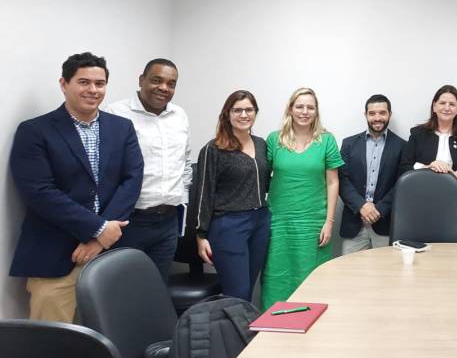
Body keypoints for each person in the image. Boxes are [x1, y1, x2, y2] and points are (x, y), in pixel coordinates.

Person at [9, 52, 143, 322]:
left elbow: (132, 178)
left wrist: (100, 236)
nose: (93, 90)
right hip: (55, 255)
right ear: (64, 84)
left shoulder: (122, 127)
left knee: (105, 338)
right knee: (52, 346)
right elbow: (39, 192)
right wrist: (97, 229)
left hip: (108, 252)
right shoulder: (34, 131)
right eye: (83, 82)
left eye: (100, 83)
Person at [106, 58, 191, 280]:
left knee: (155, 291)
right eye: (156, 80)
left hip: (167, 223)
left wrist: (180, 197)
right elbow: (106, 169)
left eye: (171, 84)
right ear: (142, 80)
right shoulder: (116, 113)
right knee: (120, 289)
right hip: (130, 222)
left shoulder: (179, 116)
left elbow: (185, 163)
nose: (164, 88)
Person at [262, 88, 343, 309]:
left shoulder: (326, 140)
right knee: (276, 276)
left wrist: (329, 221)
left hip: (314, 223)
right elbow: (260, 176)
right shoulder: (274, 140)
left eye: (310, 107)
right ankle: (272, 329)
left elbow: (333, 182)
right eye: (299, 106)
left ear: (316, 111)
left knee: (311, 277)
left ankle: (312, 329)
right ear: (290, 109)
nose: (304, 112)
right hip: (279, 222)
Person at [187, 90, 270, 303]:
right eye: (237, 110)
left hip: (261, 221)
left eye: (249, 110)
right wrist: (200, 235)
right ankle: (233, 336)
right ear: (228, 114)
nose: (244, 115)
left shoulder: (262, 144)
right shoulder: (213, 149)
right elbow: (203, 193)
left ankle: (245, 334)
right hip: (229, 225)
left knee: (249, 289)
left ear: (255, 113)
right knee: (237, 292)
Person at [338, 94, 406, 254]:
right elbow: (342, 180)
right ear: (365, 115)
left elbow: (401, 183)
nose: (377, 117)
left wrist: (379, 210)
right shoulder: (348, 144)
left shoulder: (403, 146)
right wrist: (362, 206)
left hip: (385, 222)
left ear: (390, 114)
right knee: (349, 273)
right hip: (354, 221)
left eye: (382, 113)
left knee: (385, 275)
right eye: (372, 113)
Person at [399, 85, 457, 209]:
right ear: (434, 106)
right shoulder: (418, 133)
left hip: (455, 201)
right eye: (442, 103)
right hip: (420, 199)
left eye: (452, 104)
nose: (447, 108)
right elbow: (404, 167)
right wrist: (428, 167)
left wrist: (455, 175)